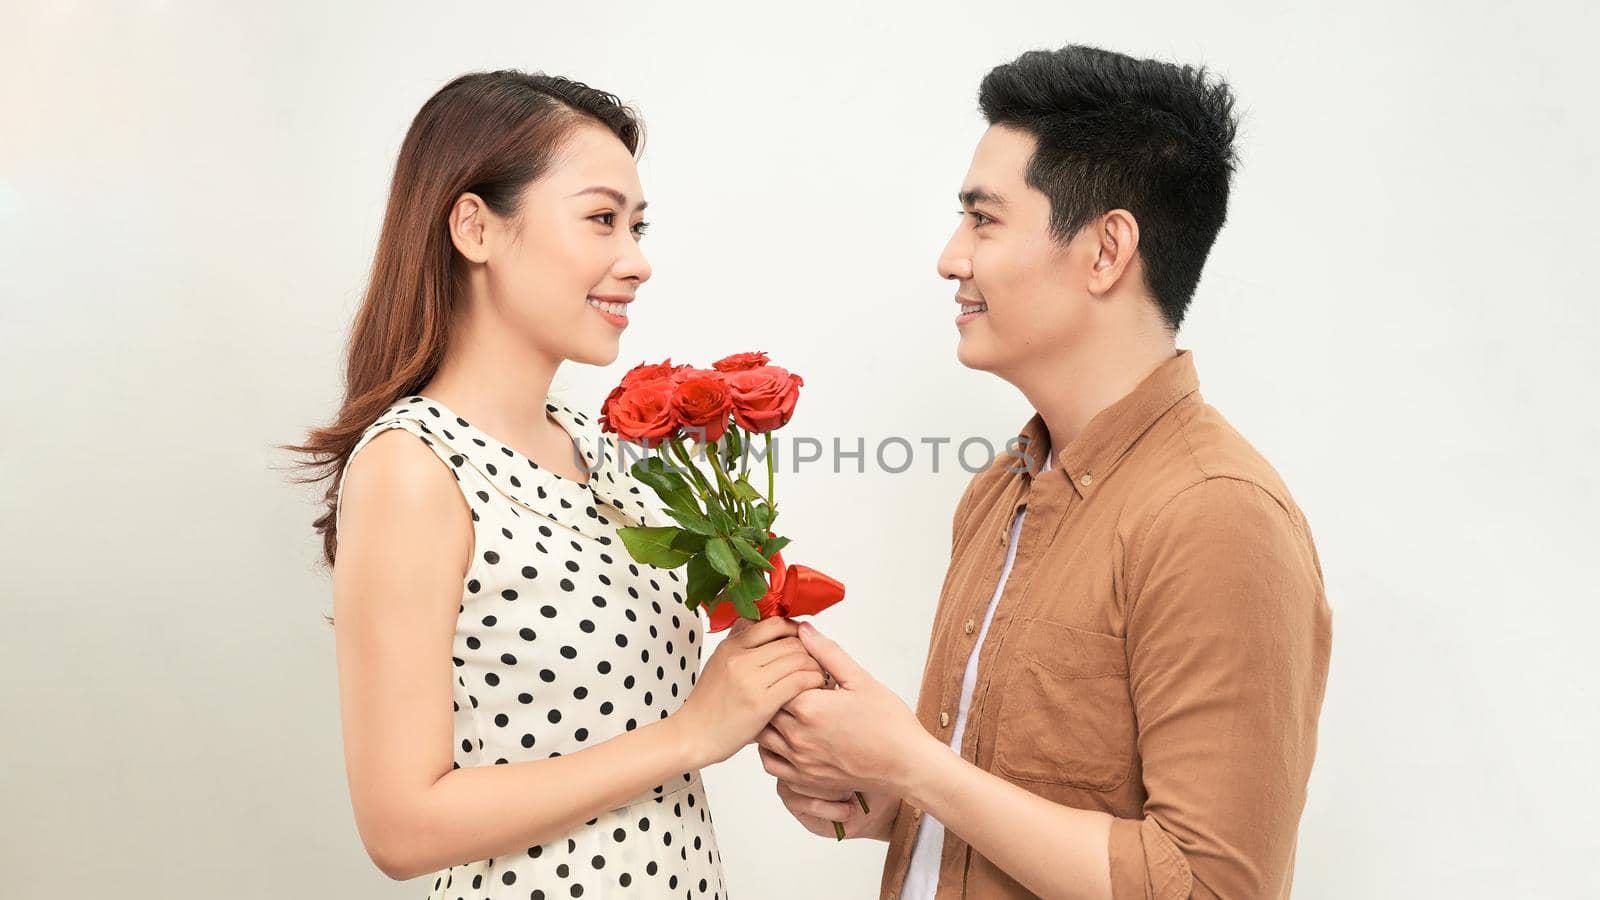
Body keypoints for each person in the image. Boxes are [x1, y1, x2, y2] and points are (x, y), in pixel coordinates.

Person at [759, 45, 1333, 899]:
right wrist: (876, 791)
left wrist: (916, 766)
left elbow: (1212, 887)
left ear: (1106, 251)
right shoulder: (999, 491)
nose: (952, 258)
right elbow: (1012, 803)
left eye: (983, 219)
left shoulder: (1217, 516)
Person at [288, 69, 824, 898]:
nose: (636, 261)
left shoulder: (597, 449)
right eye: (602, 220)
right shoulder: (413, 468)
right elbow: (400, 826)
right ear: (474, 227)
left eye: (638, 226)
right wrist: (692, 734)